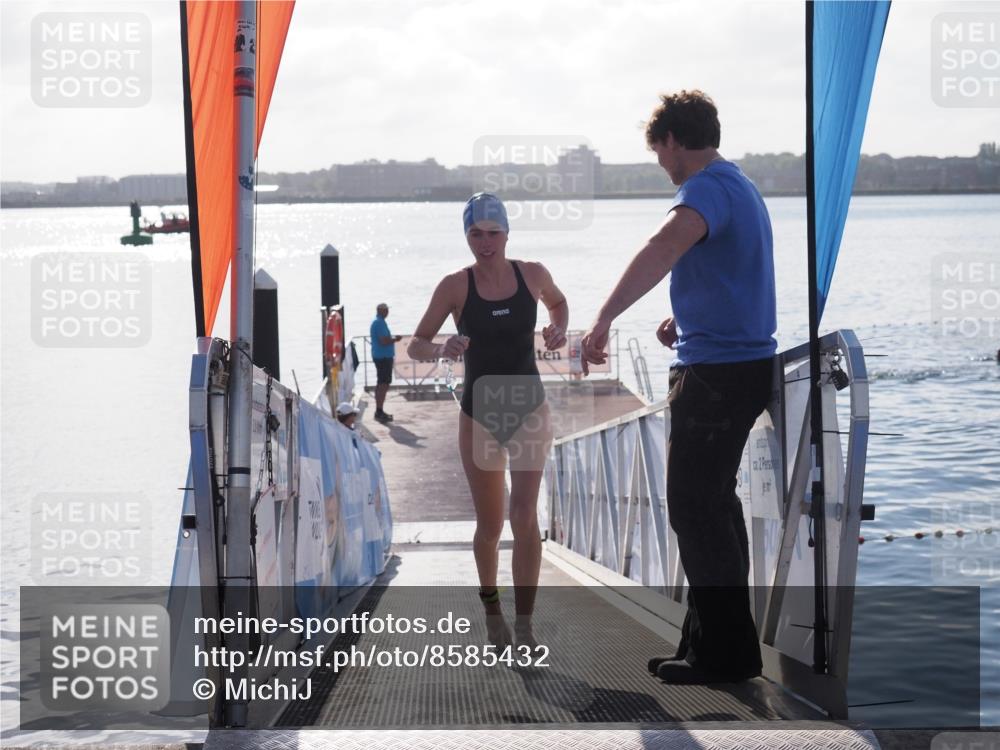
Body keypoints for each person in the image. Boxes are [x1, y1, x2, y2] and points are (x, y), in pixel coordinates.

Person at [581, 90, 777, 684]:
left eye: (659, 150)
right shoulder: (737, 185)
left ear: (673, 140)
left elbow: (662, 249)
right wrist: (686, 319)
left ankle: (727, 654)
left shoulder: (704, 190)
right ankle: (707, 643)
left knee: (695, 508)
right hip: (734, 362)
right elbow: (728, 269)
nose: (661, 164)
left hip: (717, 375)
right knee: (713, 507)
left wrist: (604, 318)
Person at [407, 193, 568, 648]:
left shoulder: (532, 273)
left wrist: (557, 327)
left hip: (529, 408)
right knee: (491, 525)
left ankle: (525, 624)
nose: (485, 242)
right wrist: (441, 349)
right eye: (475, 234)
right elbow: (417, 343)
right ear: (467, 236)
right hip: (480, 413)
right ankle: (493, 609)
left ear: (507, 233)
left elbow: (558, 303)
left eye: (493, 233)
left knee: (525, 517)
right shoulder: (455, 286)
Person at [369, 303, 402, 423]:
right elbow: (384, 341)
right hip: (383, 357)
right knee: (383, 383)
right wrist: (395, 339)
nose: (388, 312)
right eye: (386, 310)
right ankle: (379, 410)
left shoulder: (379, 322)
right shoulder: (379, 323)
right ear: (380, 310)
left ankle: (379, 410)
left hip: (381, 356)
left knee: (383, 382)